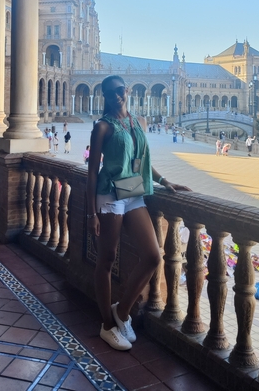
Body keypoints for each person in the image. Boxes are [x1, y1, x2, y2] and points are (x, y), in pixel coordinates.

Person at [86, 75, 191, 351]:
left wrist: (164, 180)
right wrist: (91, 213)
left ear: (128, 90)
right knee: (107, 259)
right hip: (109, 193)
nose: (116, 96)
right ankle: (106, 326)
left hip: (132, 189)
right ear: (104, 96)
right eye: (110, 93)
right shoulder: (102, 128)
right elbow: (91, 173)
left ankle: (121, 312)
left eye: (120, 91)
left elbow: (143, 161)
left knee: (153, 256)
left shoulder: (139, 122)